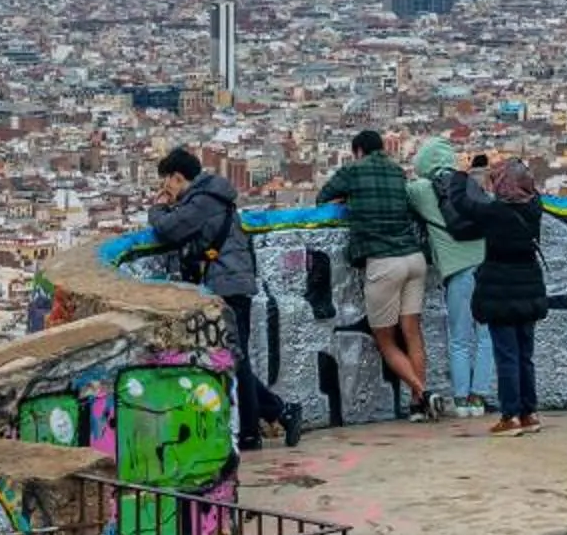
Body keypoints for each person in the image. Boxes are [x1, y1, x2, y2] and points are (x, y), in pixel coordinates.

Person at [150, 145, 301, 448]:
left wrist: (157, 208)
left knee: (235, 358)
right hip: (233, 281)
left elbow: (168, 229)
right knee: (234, 357)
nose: (165, 189)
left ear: (178, 178)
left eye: (166, 182)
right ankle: (278, 414)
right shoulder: (213, 196)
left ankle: (254, 429)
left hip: (227, 284)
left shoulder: (202, 202)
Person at [318, 129, 433, 419]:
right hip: (414, 258)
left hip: (384, 263)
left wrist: (347, 200)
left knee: (385, 339)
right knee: (413, 334)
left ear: (358, 151)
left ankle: (423, 393)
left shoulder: (353, 171)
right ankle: (419, 405)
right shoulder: (397, 172)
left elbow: (323, 197)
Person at [461, 158, 550, 435]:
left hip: (501, 290)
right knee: (525, 355)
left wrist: (458, 179)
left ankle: (510, 415)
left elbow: (464, 207)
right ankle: (530, 412)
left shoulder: (495, 212)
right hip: (529, 287)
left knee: (507, 355)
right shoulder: (535, 208)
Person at [407, 136, 495, 416]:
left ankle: (460, 400)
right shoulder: (469, 183)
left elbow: (402, 194)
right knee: (485, 336)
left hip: (458, 272)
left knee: (458, 338)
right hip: (486, 265)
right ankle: (478, 398)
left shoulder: (422, 189)